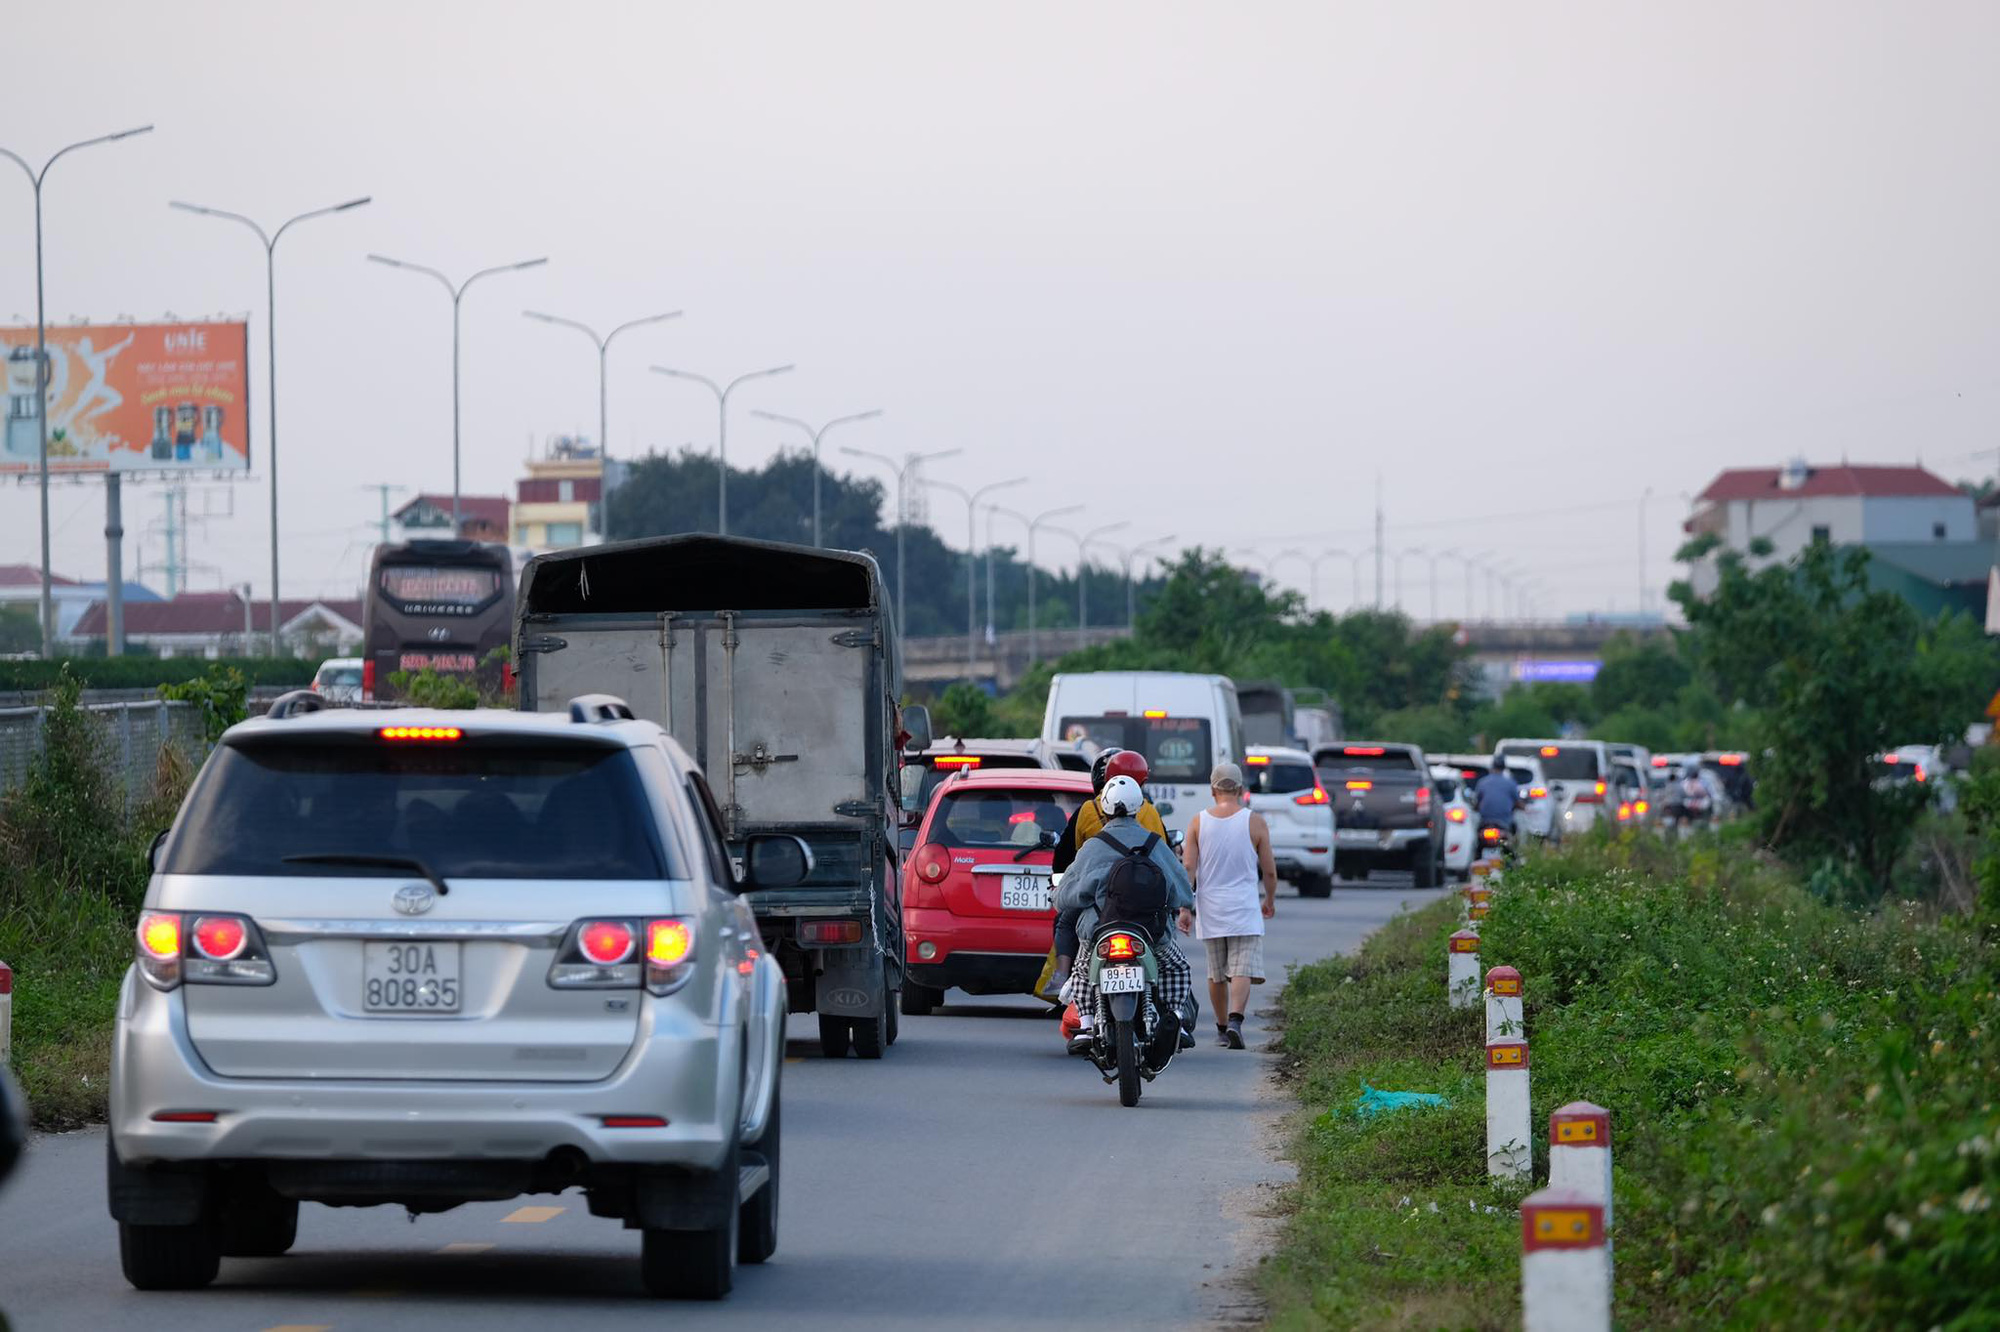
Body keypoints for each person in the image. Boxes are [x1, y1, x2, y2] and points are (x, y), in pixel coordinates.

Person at [1056, 774, 1196, 1058]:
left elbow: (1067, 896)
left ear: (1104, 809)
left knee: (1083, 970)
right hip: (1150, 934)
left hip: (1099, 933)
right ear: (1138, 807)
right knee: (1177, 967)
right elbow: (1182, 891)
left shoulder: (1093, 846)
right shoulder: (1156, 844)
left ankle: (1085, 1024)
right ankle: (1175, 1019)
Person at [1045, 748, 1166, 998]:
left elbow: (1069, 859)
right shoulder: (1151, 813)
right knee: (1172, 959)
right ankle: (1174, 1008)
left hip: (1097, 904)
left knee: (1067, 923)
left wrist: (1062, 893)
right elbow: (1165, 863)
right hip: (1146, 903)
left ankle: (1061, 978)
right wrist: (1181, 903)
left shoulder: (1088, 812)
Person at [1181, 761, 1277, 1049]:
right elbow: (1269, 870)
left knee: (1216, 972)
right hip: (1244, 908)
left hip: (1210, 908)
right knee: (1241, 968)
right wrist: (1269, 898)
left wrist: (1186, 907)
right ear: (1240, 789)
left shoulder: (1198, 821)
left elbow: (1188, 867)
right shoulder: (1255, 821)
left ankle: (1222, 1028)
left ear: (1213, 789)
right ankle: (1236, 1020)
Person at [1471, 756, 1522, 839]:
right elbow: (1518, 803)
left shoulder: (1482, 782)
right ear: (1504, 768)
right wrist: (1525, 808)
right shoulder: (1510, 783)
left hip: (1485, 823)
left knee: (1476, 840)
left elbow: (1477, 804)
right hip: (1504, 823)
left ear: (1492, 766)